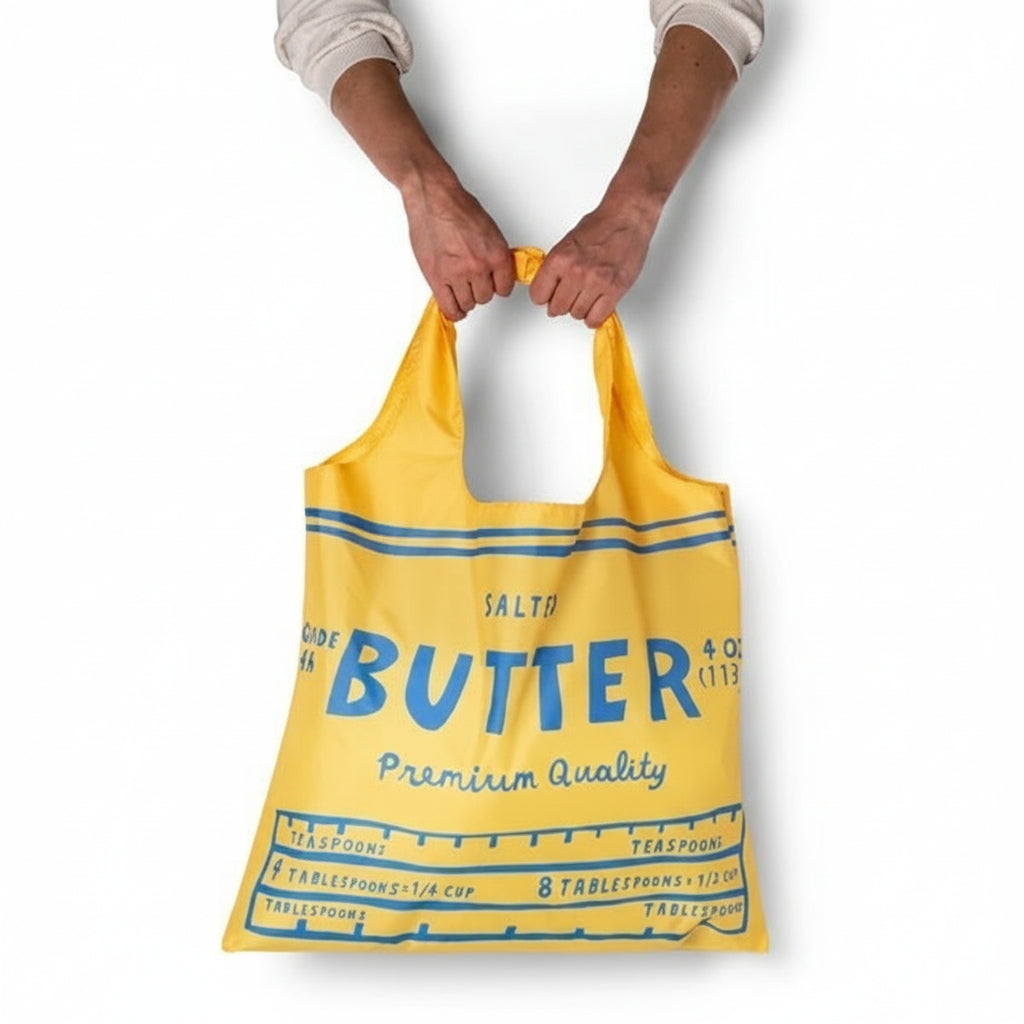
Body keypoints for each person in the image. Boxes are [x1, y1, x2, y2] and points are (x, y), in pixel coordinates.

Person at [274, 2, 763, 327]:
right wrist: (424, 188)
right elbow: (323, 17)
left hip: (691, 238)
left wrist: (634, 207)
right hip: (379, 226)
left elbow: (716, 5)